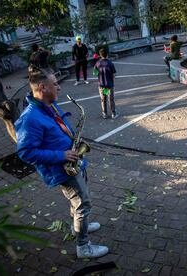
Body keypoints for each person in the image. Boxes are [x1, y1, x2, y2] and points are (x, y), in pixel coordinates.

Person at [15, 65, 109, 258]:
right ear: (42, 87)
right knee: (83, 203)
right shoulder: (30, 118)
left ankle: (78, 226)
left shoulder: (48, 105)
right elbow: (25, 152)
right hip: (62, 168)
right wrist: (62, 156)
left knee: (78, 201)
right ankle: (83, 247)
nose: (59, 88)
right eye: (55, 84)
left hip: (73, 161)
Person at [93, 48, 118, 119]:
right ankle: (113, 113)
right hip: (109, 85)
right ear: (107, 55)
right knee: (111, 99)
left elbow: (94, 73)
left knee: (103, 99)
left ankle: (104, 113)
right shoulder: (110, 63)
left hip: (102, 85)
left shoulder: (97, 63)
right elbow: (114, 75)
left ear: (100, 55)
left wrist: (100, 73)